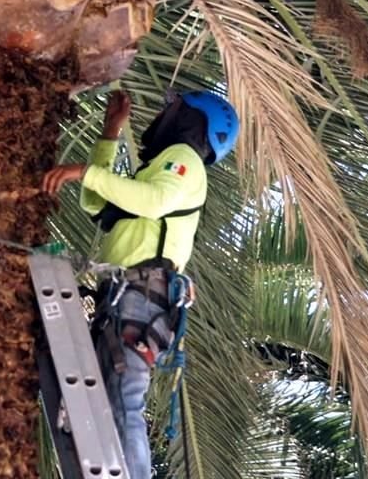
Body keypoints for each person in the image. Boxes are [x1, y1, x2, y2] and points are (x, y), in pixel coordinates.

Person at [42, 88, 239, 479]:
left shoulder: (185, 161)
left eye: (175, 108)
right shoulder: (156, 170)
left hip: (140, 299)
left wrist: (85, 170)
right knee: (106, 402)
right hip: (124, 297)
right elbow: (95, 203)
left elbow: (151, 203)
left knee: (124, 400)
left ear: (193, 121)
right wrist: (110, 134)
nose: (165, 112)